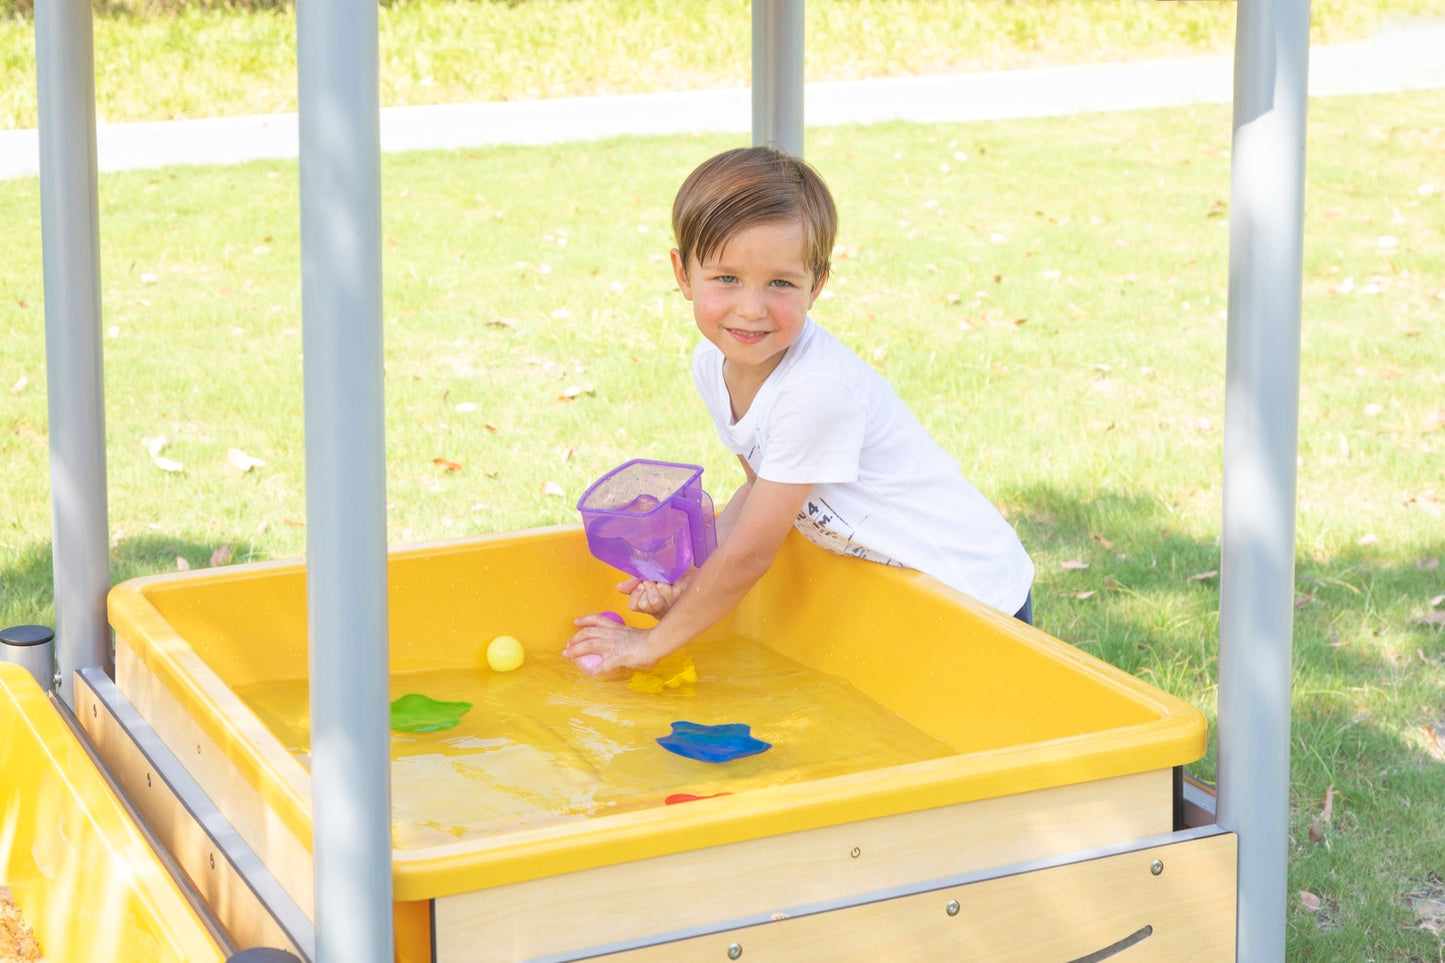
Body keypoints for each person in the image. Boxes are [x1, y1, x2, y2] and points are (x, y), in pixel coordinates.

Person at [564, 146, 1033, 674]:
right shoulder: (711, 363)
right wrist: (688, 580)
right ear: (682, 273)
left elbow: (752, 554)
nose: (751, 308)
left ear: (818, 285)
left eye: (781, 283)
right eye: (726, 278)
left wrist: (649, 645)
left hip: (974, 596)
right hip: (906, 593)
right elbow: (758, 494)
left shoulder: (815, 392)